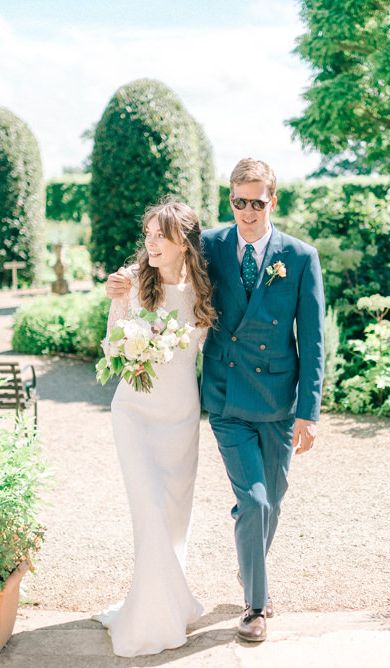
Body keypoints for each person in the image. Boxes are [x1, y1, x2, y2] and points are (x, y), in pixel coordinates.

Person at [106, 158, 326, 643]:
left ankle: (252, 568)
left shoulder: (301, 256)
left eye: (257, 202)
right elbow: (160, 255)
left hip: (278, 401)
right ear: (230, 199)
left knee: (272, 502)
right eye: (239, 201)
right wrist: (123, 284)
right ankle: (256, 605)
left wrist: (308, 411)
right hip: (226, 400)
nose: (247, 211)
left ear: (274, 201)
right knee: (253, 501)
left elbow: (311, 340)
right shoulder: (212, 245)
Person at [94, 200, 217, 657]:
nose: (149, 244)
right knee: (147, 511)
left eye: (159, 236)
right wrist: (118, 308)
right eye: (146, 234)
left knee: (171, 520)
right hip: (134, 414)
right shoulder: (131, 282)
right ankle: (150, 617)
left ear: (183, 240)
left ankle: (170, 599)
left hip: (182, 418)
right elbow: (112, 346)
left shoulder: (203, 289)